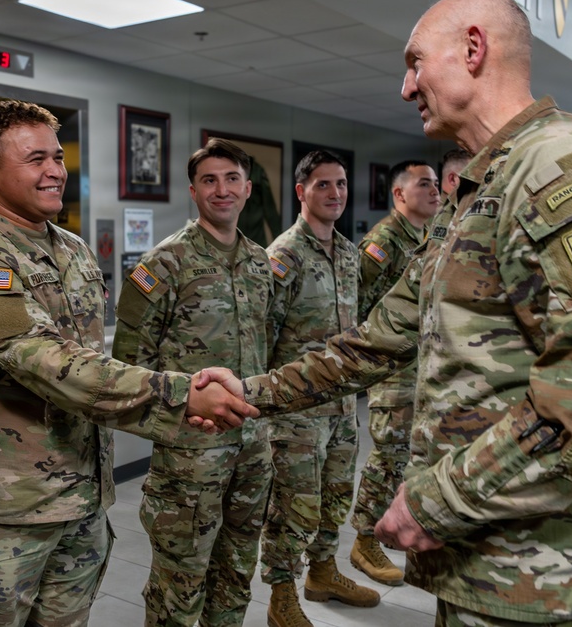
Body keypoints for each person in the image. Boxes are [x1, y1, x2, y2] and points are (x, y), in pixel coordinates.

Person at [230, 0, 572, 627]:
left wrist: (436, 500)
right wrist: (250, 392)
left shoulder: (566, 166)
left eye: (414, 62)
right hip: (483, 567)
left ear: (473, 49)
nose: (406, 87)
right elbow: (379, 339)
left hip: (558, 582)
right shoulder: (480, 193)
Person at [0, 104, 257, 627]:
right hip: (10, 512)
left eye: (58, 156)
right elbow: (52, 364)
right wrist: (180, 395)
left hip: (82, 498)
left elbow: (98, 361)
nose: (55, 170)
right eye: (35, 159)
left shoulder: (74, 250)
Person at [112, 138, 272, 627]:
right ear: (193, 191)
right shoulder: (164, 263)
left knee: (237, 568)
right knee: (180, 578)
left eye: (230, 179)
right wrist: (175, 415)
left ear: (247, 189)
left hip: (252, 448)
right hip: (191, 453)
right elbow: (128, 362)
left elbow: (270, 350)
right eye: (209, 180)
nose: (221, 189)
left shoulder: (261, 263)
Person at [260, 150, 378, 627]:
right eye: (324, 185)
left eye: (341, 184)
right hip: (296, 411)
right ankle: (281, 594)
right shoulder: (283, 256)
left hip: (343, 405)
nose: (335, 194)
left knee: (334, 494)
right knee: (293, 504)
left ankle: (324, 571)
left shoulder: (349, 254)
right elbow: (264, 336)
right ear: (301, 191)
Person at [349, 160, 439, 586]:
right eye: (425, 184)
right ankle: (363, 538)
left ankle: (385, 529)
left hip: (419, 365)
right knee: (388, 456)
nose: (436, 191)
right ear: (400, 193)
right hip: (392, 369)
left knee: (406, 456)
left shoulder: (426, 236)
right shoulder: (383, 240)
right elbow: (356, 304)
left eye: (437, 184)